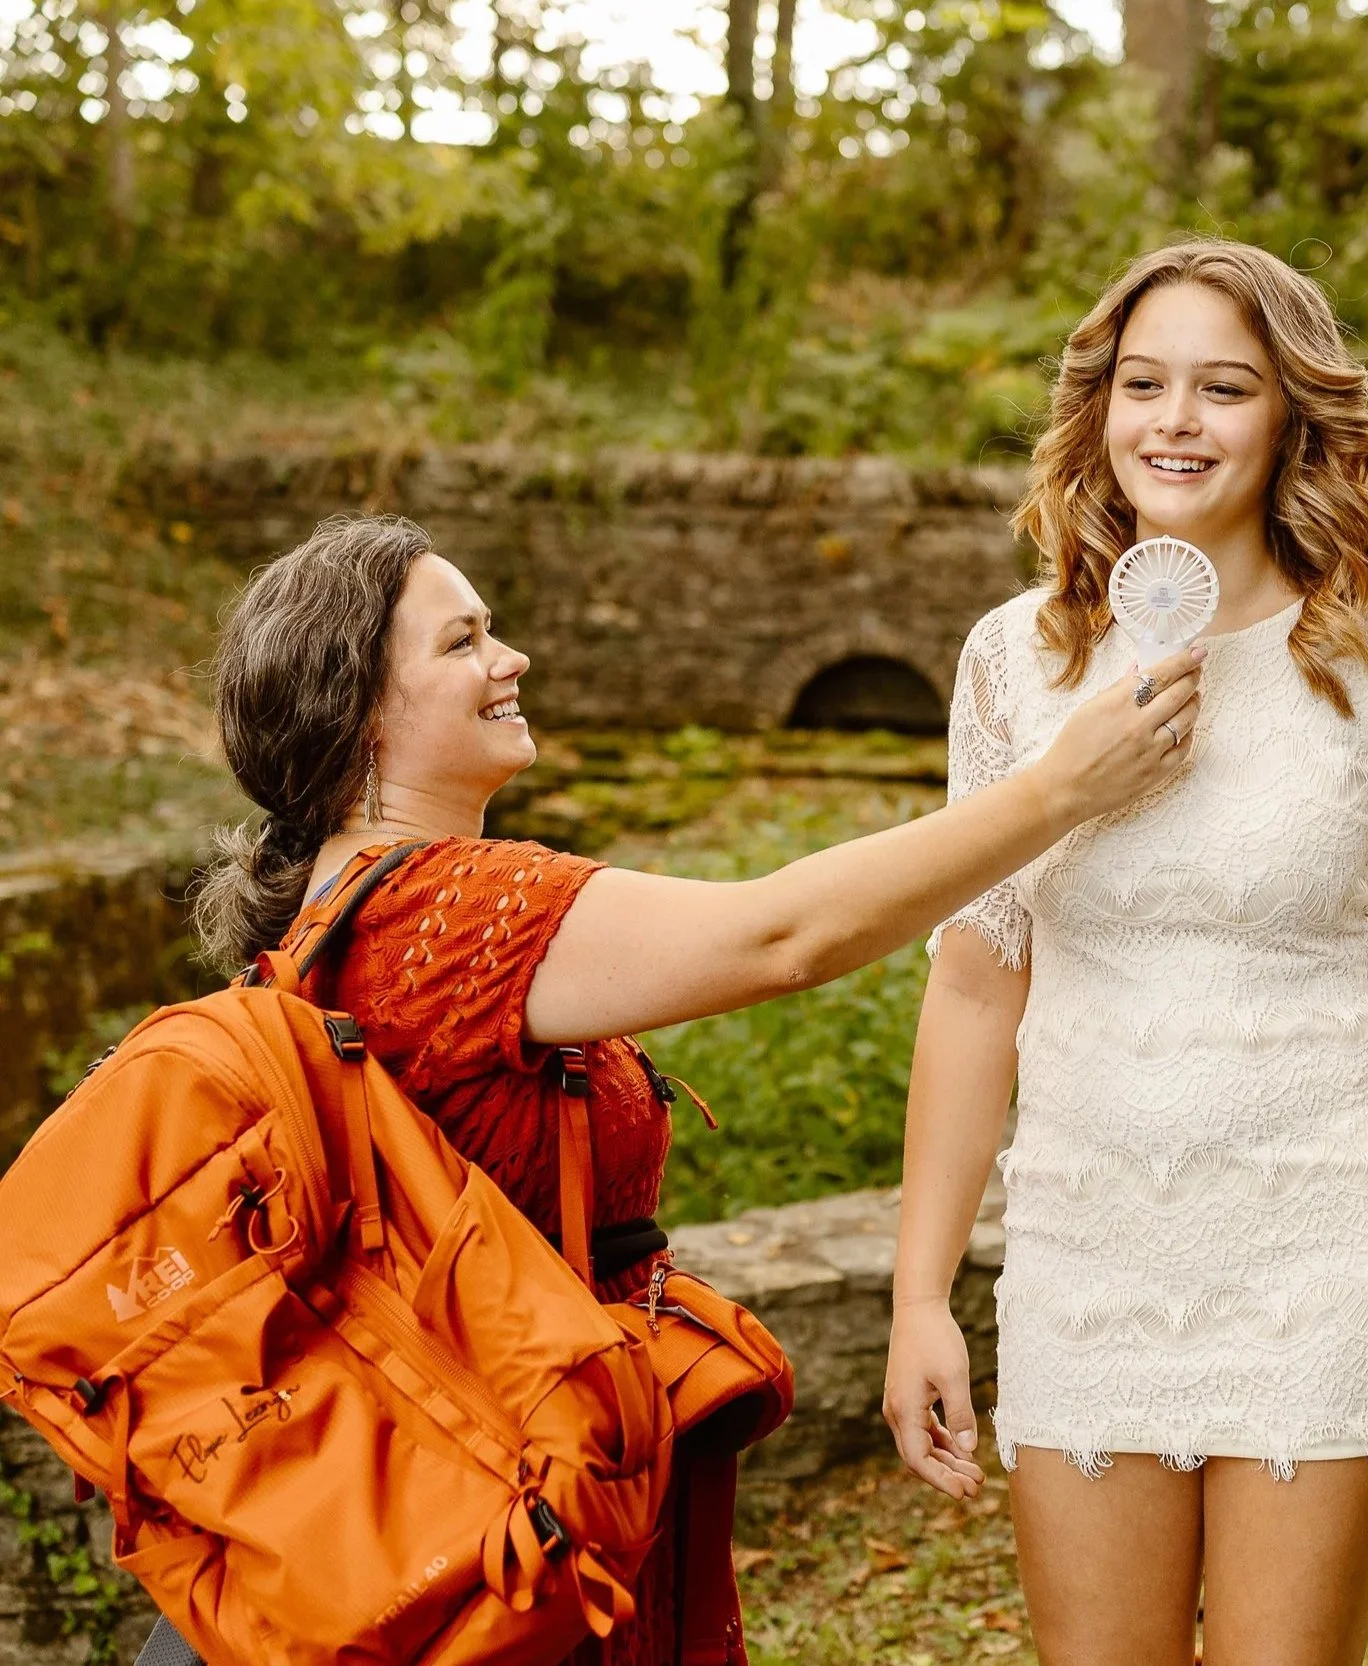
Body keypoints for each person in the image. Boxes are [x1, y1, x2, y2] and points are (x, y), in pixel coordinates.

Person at [152, 512, 1204, 1666]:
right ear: (360, 712)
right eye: (463, 643)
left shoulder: (340, 907)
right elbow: (781, 936)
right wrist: (1054, 792)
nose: (512, 660)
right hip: (512, 1496)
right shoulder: (446, 915)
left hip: (490, 1465)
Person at [881, 238, 1368, 1666]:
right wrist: (919, 1296)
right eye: (1143, 384)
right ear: (1099, 406)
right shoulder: (1015, 659)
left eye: (1224, 386)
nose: (1176, 421)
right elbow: (974, 984)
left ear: (1290, 417)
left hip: (1324, 1244)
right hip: (1087, 1249)